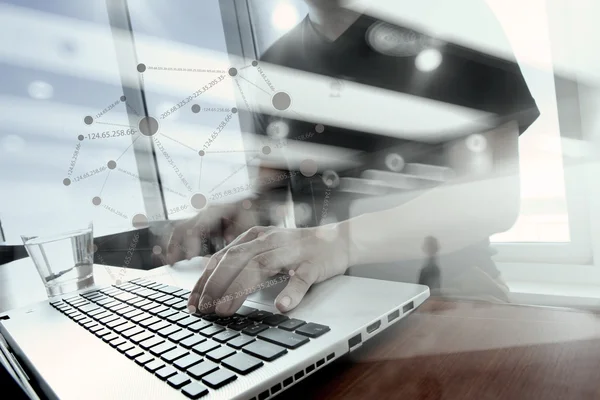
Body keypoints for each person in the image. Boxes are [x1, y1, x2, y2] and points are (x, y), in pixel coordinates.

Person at [165, 0, 539, 315]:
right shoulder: (270, 68)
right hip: (327, 298)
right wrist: (239, 212)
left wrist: (339, 242)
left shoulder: (455, 17)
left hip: (451, 295)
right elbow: (271, 197)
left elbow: (493, 201)